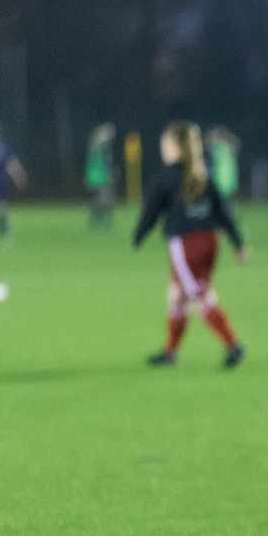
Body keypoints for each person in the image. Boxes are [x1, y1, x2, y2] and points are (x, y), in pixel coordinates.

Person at [132, 121, 247, 369]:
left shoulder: (167, 176)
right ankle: (170, 352)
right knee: (176, 296)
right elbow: (222, 211)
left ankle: (232, 344)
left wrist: (139, 235)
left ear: (174, 146)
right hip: (209, 241)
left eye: (165, 143)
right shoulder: (201, 173)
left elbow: (151, 211)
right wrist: (238, 242)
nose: (162, 147)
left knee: (199, 296)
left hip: (185, 245)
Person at [84, 123, 118, 229]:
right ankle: (102, 222)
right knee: (106, 199)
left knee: (99, 200)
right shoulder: (100, 147)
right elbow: (103, 164)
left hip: (95, 178)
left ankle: (97, 221)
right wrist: (112, 172)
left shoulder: (95, 146)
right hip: (100, 178)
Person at [205, 125, 241, 200]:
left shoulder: (218, 148)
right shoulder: (230, 146)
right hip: (227, 176)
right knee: (225, 198)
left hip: (220, 176)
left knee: (222, 198)